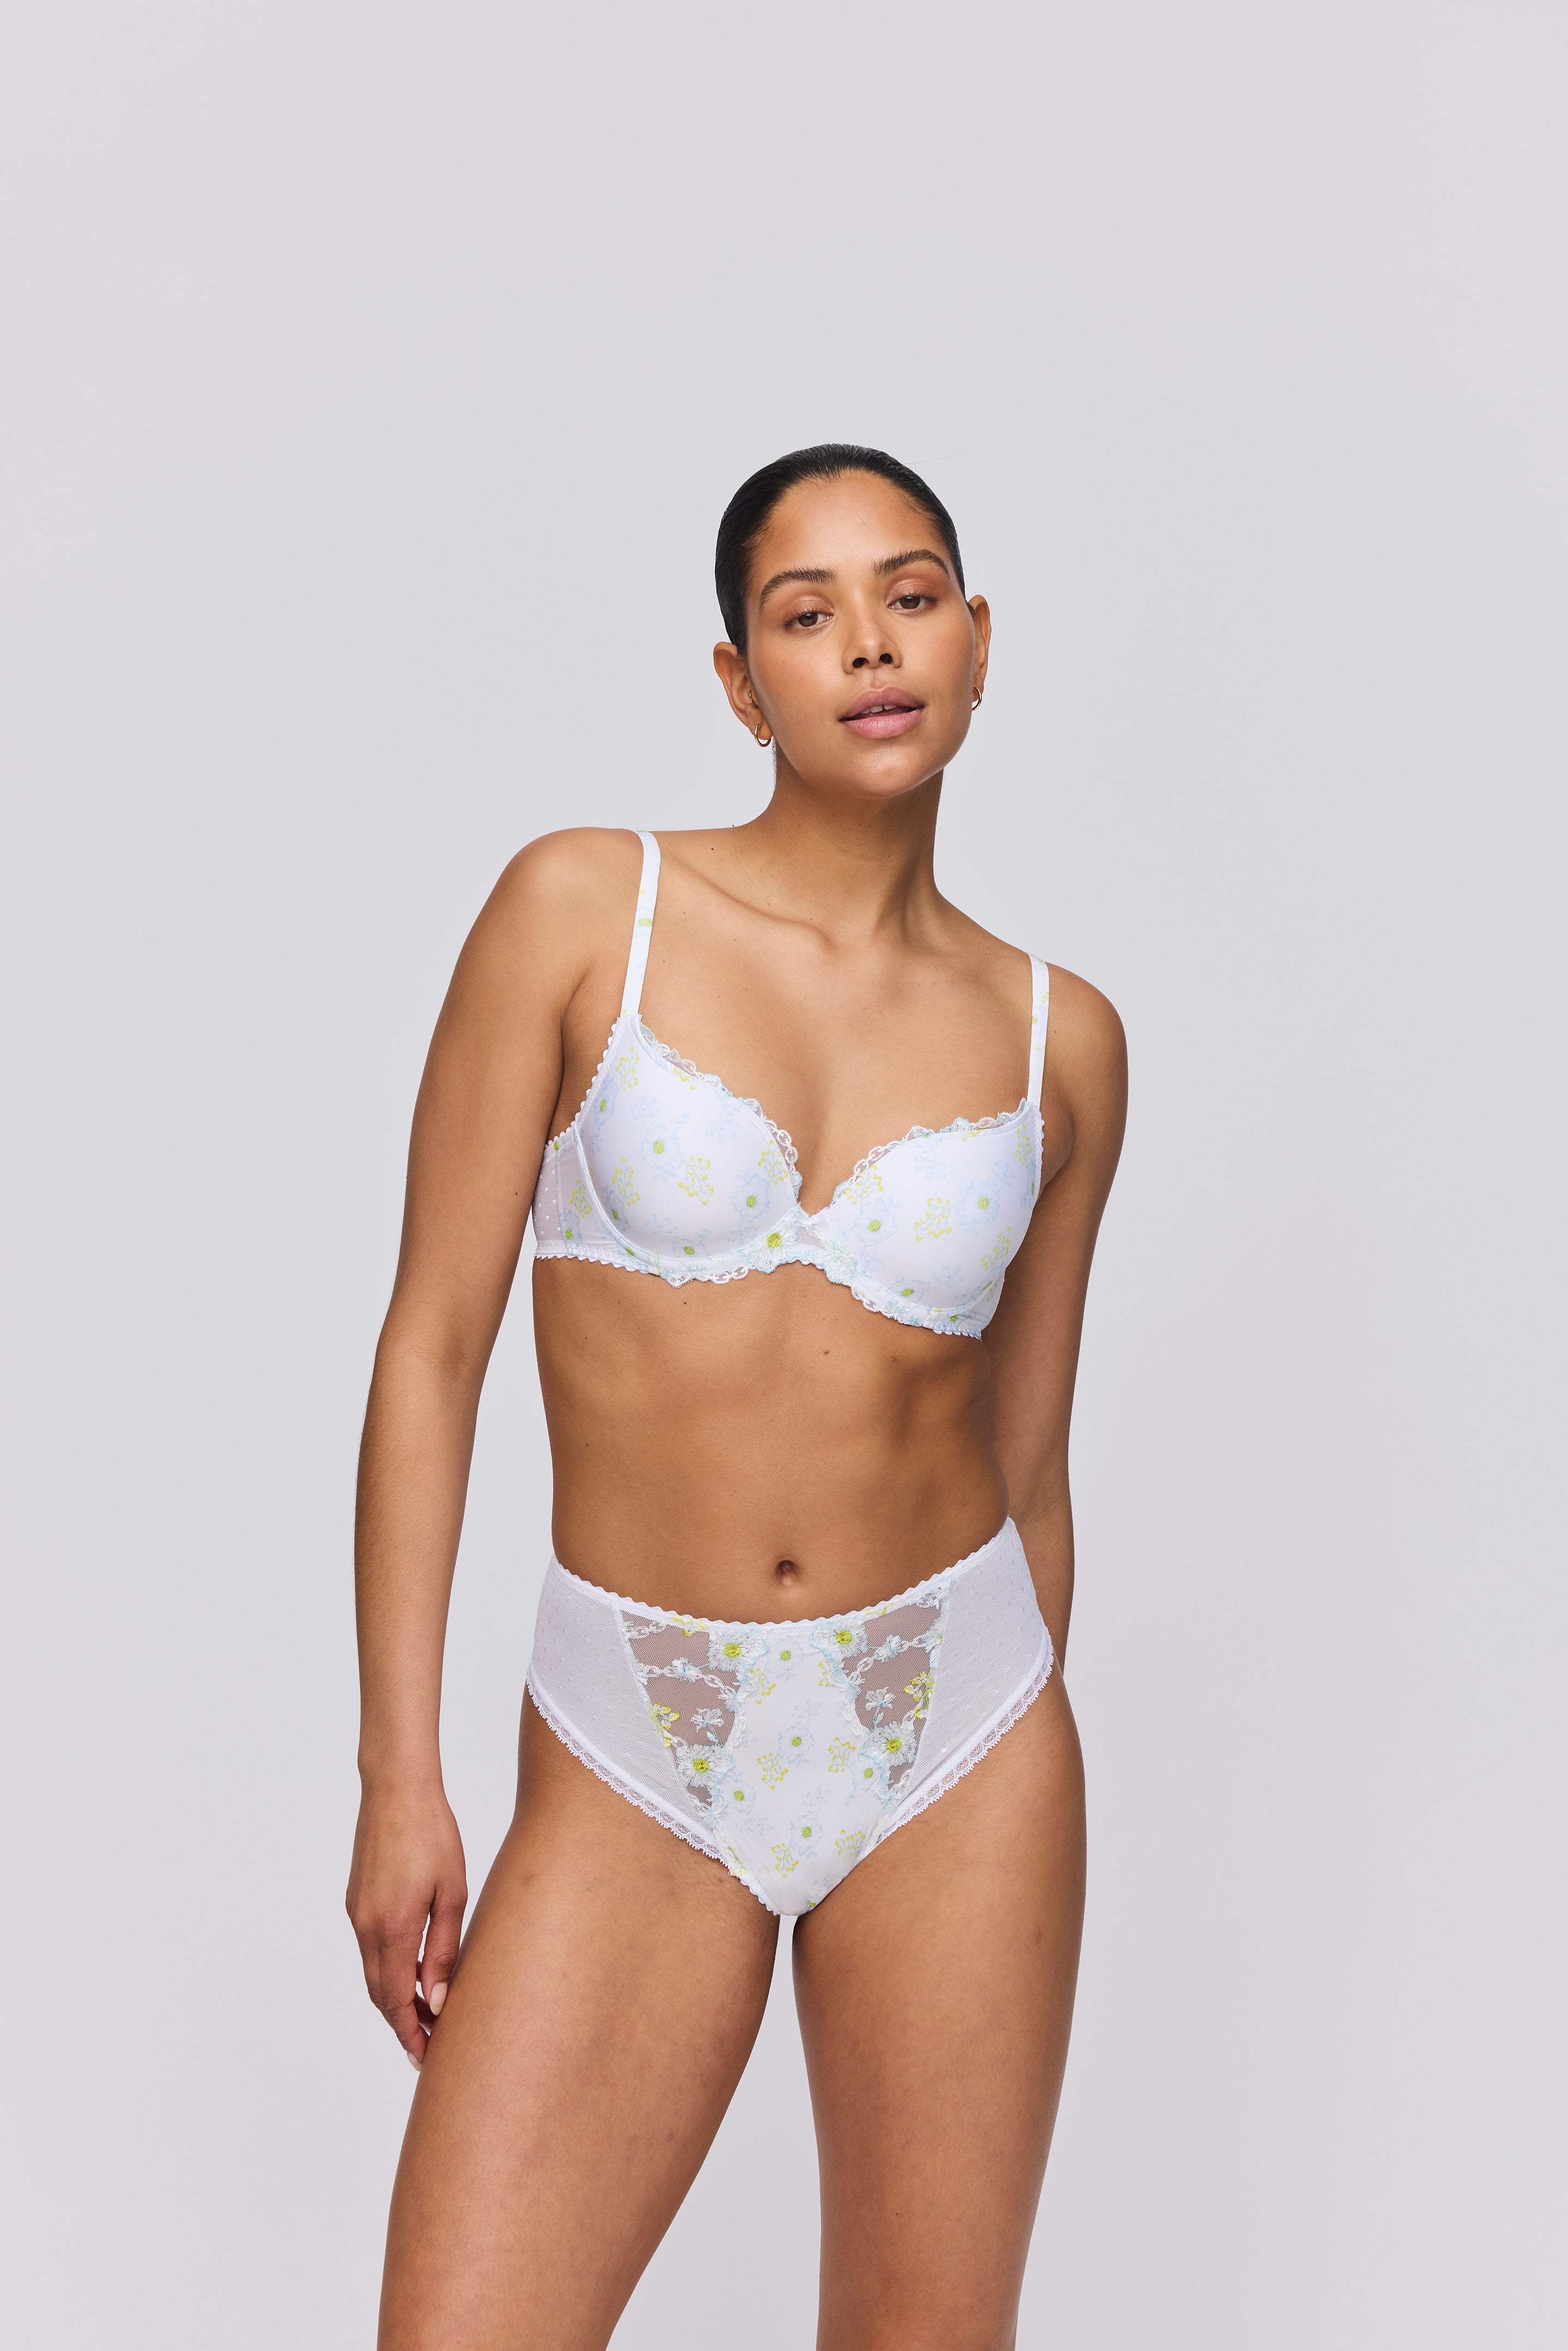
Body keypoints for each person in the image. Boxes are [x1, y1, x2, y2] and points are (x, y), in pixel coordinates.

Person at [347, 443, 1128, 2350]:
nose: (871, 645)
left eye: (912, 597)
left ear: (979, 640)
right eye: (808, 613)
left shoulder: (1064, 1041)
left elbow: (1029, 1463)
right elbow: (430, 1350)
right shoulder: (580, 911)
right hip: (636, 1733)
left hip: (956, 1736)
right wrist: (399, 1780)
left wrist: (988, 1734)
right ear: (738, 679)